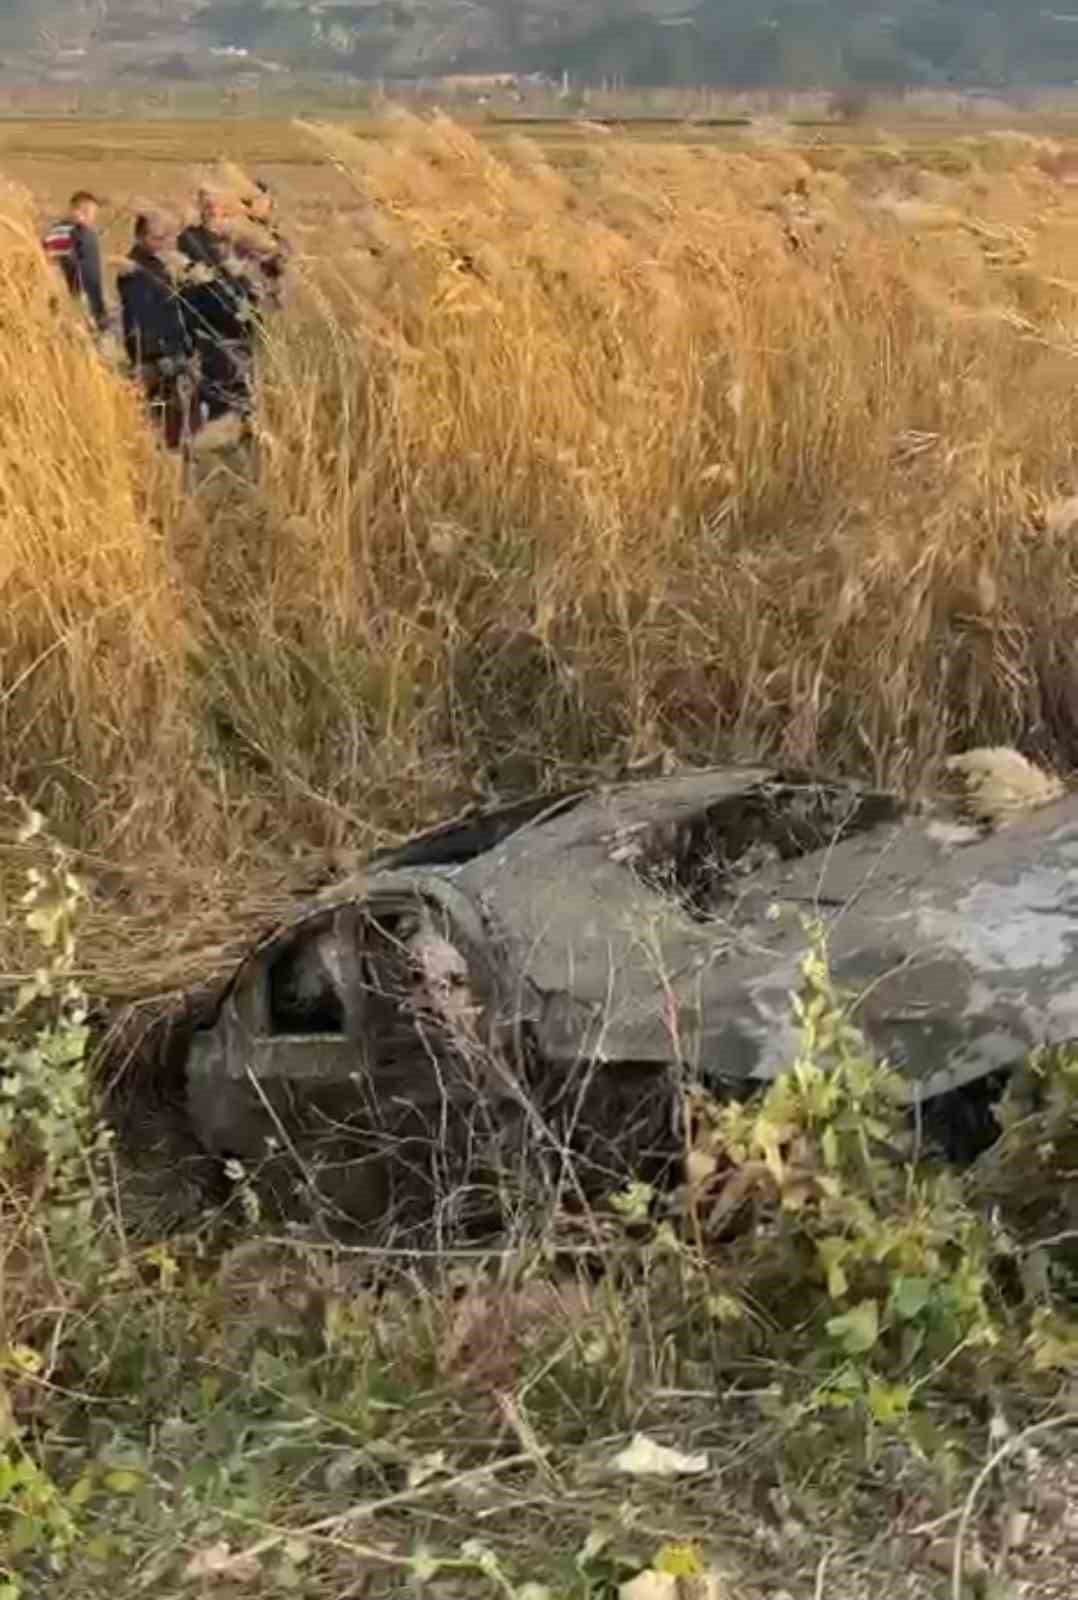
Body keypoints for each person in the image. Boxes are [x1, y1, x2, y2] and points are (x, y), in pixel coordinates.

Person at [177, 186, 260, 424]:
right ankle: (214, 428)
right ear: (200, 208)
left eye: (216, 204)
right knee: (216, 381)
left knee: (242, 380)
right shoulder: (190, 239)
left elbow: (252, 275)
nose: (212, 209)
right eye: (207, 204)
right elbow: (196, 275)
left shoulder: (237, 238)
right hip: (209, 323)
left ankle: (242, 425)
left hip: (240, 323)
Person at [117, 212, 197, 451]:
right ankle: (159, 461)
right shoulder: (133, 269)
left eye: (164, 238)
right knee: (158, 412)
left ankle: (169, 459)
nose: (161, 243)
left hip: (169, 350)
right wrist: (160, 353)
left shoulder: (155, 264)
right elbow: (143, 316)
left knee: (172, 413)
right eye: (156, 238)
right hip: (155, 354)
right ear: (139, 237)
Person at [42, 189, 110, 334]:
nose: (89, 218)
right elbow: (54, 266)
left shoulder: (84, 234)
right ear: (73, 210)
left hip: (85, 302)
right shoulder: (65, 233)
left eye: (91, 214)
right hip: (76, 304)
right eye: (85, 212)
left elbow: (92, 275)